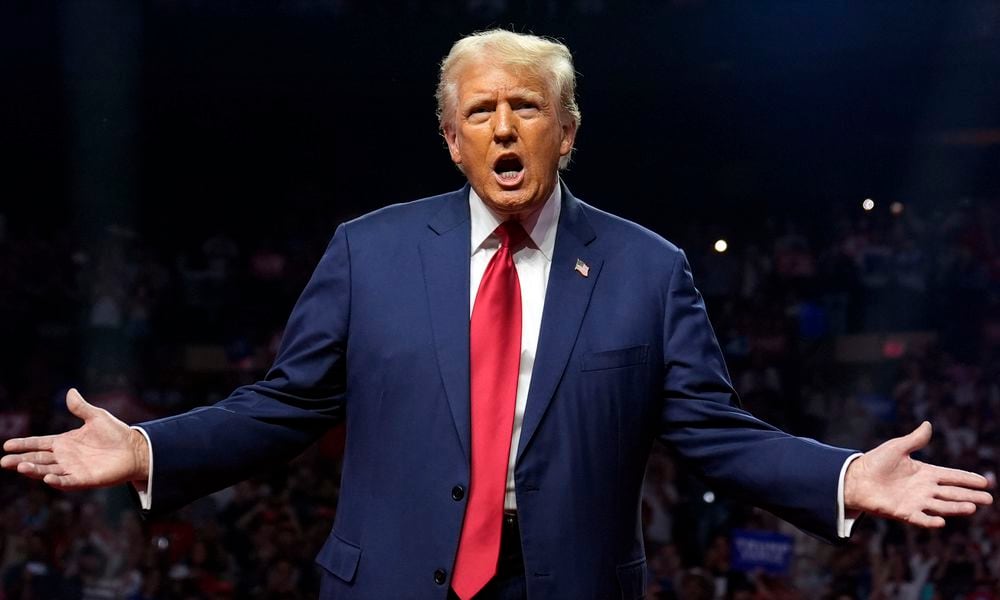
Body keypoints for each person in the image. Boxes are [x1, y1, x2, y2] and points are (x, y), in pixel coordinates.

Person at [1, 30, 992, 600]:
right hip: (388, 581)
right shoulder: (368, 251)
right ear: (450, 139)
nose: (503, 126)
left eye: (525, 107)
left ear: (565, 131)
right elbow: (283, 405)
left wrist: (848, 475)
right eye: (479, 111)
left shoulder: (648, 270)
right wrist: (147, 449)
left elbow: (709, 433)